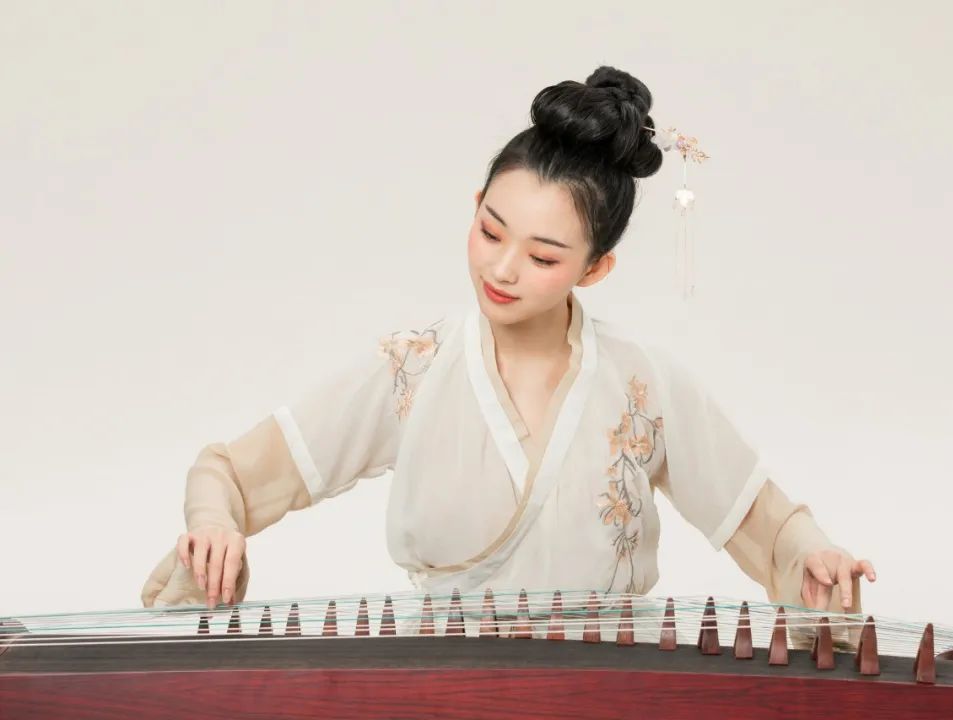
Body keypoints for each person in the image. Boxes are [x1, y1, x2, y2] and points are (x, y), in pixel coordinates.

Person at [141, 66, 875, 644]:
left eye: (544, 256)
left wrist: (815, 558)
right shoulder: (413, 369)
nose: (502, 269)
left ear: (595, 269)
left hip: (610, 687)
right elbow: (229, 474)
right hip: (443, 687)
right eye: (491, 231)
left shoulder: (642, 384)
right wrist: (215, 527)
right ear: (475, 206)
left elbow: (764, 523)